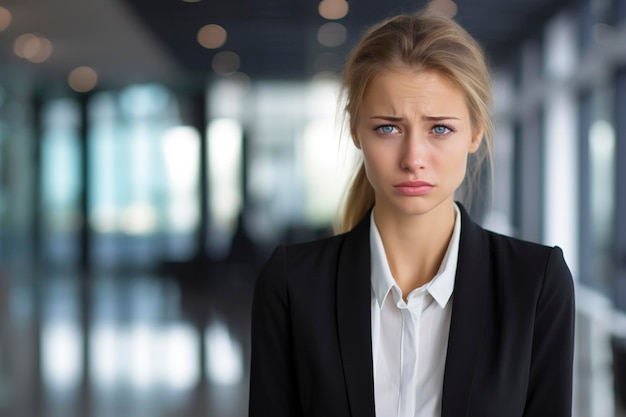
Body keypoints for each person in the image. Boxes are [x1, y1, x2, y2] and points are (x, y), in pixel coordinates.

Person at [249, 9, 575, 417]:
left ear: (475, 131)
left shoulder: (535, 284)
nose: (413, 158)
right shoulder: (291, 284)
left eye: (440, 128)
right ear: (356, 130)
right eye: (388, 127)